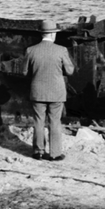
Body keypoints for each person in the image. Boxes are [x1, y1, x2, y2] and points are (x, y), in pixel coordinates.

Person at [24, 20, 73, 161]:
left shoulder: (30, 50)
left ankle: (38, 152)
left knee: (38, 121)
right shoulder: (61, 50)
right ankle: (55, 154)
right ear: (52, 34)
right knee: (55, 122)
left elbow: (24, 72)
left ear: (42, 34)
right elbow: (70, 71)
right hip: (56, 92)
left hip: (37, 91)